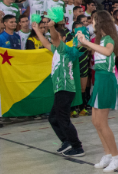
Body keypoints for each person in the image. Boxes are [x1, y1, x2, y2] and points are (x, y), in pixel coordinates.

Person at [75, 10, 118, 172]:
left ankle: (117, 157)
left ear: (101, 22)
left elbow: (108, 51)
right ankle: (108, 154)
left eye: (94, 20)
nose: (92, 23)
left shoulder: (109, 39)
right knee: (95, 121)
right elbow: (91, 49)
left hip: (106, 80)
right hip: (99, 79)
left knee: (102, 123)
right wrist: (81, 41)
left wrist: (87, 43)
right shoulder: (99, 40)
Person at [31, 18, 85, 157]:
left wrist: (52, 28)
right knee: (54, 118)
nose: (53, 39)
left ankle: (77, 146)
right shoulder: (57, 50)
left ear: (62, 38)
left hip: (65, 88)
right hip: (60, 89)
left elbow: (54, 37)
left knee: (63, 119)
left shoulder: (65, 49)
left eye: (55, 37)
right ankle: (66, 141)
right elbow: (46, 42)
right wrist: (37, 29)